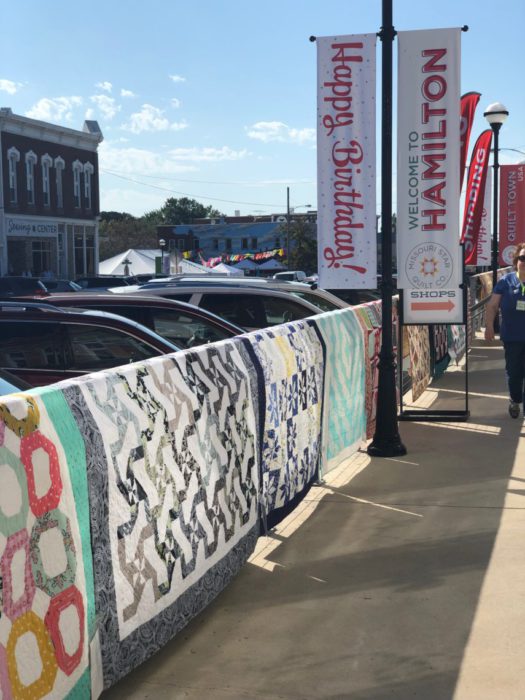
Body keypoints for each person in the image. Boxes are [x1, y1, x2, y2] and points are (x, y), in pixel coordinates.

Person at [485, 242, 525, 418]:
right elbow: (492, 306)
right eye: (523, 258)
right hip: (512, 337)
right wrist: (488, 327)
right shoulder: (506, 281)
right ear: (516, 260)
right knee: (514, 374)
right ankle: (515, 400)